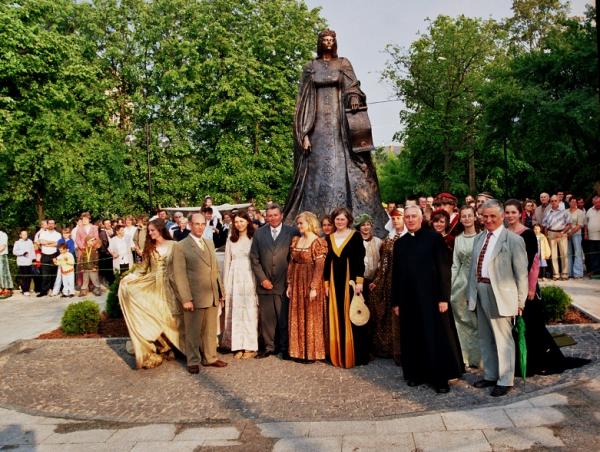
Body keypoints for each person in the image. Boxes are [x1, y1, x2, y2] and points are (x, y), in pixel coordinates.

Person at [284, 29, 388, 236]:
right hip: (317, 128)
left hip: (340, 128)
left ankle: (350, 217)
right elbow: (302, 103)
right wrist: (303, 133)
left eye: (332, 40)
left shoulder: (343, 64)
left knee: (347, 167)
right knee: (316, 173)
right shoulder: (309, 67)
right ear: (319, 42)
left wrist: (354, 98)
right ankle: (315, 221)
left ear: (335, 42)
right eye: (325, 39)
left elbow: (353, 88)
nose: (328, 43)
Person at [504, 199, 590, 375]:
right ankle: (518, 362)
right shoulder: (504, 233)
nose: (510, 215)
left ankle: (537, 362)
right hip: (509, 287)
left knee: (532, 326)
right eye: (507, 212)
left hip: (527, 288)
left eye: (513, 212)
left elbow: (533, 263)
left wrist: (530, 288)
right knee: (514, 327)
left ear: (520, 213)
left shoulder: (527, 233)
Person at [391, 205, 464, 393]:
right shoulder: (400, 244)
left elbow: (443, 270)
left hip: (431, 299)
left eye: (413, 216)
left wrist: (443, 298)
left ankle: (439, 379)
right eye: (407, 217)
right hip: (408, 300)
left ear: (422, 217)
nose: (410, 220)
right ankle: (416, 374)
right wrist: (396, 302)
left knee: (434, 337)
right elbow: (396, 274)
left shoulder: (433, 239)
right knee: (412, 337)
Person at [467, 199, 528, 397]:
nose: (488, 220)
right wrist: (471, 294)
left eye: (493, 216)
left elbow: (521, 274)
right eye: (485, 216)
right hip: (481, 290)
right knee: (485, 337)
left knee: (503, 339)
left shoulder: (513, 240)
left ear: (502, 216)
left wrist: (520, 302)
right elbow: (472, 270)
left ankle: (505, 379)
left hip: (500, 294)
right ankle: (491, 375)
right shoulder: (479, 238)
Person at [119, 219, 182, 369]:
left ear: (161, 230)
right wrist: (129, 278)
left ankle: (175, 346)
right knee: (155, 315)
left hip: (171, 285)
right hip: (152, 284)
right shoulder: (149, 248)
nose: (150, 233)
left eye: (153, 230)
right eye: (149, 231)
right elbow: (142, 269)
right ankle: (162, 346)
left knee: (172, 316)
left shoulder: (174, 245)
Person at [173, 213, 227, 373]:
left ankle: (210, 357)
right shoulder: (181, 246)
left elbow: (215, 270)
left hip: (211, 295)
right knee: (193, 331)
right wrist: (186, 298)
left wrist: (220, 291)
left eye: (203, 224)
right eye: (196, 224)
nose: (200, 227)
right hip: (194, 297)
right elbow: (179, 275)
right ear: (189, 225)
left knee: (210, 330)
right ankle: (193, 360)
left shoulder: (209, 243)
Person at [250, 203, 298, 359]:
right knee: (267, 318)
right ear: (266, 217)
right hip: (265, 284)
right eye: (269, 215)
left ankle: (285, 347)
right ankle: (269, 347)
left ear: (281, 215)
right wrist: (262, 279)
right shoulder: (259, 234)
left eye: (275, 215)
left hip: (284, 283)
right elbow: (254, 258)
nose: (273, 218)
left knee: (283, 318)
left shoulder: (292, 232)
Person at [323, 207, 368, 368]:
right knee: (337, 315)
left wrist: (359, 282)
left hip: (351, 282)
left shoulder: (355, 236)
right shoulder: (329, 238)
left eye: (342, 219)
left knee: (353, 316)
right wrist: (326, 283)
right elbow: (326, 263)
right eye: (337, 219)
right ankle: (338, 353)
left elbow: (359, 259)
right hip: (335, 283)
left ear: (348, 220)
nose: (339, 222)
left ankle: (356, 356)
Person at [287, 211, 328, 362]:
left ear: (310, 223)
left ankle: (312, 352)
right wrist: (290, 284)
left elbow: (319, 266)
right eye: (297, 223)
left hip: (311, 281)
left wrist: (314, 287)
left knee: (311, 316)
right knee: (297, 314)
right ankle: (298, 351)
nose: (299, 226)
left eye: (301, 223)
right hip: (297, 281)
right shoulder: (296, 240)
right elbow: (292, 263)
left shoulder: (318, 242)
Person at [368, 207, 406, 363]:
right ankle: (387, 347)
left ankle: (402, 350)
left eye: (399, 218)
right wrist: (377, 280)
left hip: (402, 278)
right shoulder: (389, 237)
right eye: (394, 218)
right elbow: (383, 261)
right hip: (388, 278)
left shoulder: (408, 236)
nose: (397, 221)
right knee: (382, 307)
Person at [221, 212, 259, 359]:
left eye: (242, 221)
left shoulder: (254, 238)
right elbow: (227, 261)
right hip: (234, 276)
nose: (239, 224)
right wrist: (225, 284)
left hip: (249, 276)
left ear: (248, 222)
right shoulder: (231, 239)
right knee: (236, 312)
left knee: (249, 311)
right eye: (236, 222)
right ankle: (237, 345)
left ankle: (250, 346)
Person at [450, 206, 481, 369]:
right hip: (461, 284)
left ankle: (481, 357)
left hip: (479, 281)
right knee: (462, 321)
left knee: (478, 320)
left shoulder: (482, 237)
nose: (467, 219)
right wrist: (451, 285)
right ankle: (465, 356)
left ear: (475, 217)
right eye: (464, 216)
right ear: (460, 219)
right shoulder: (458, 239)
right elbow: (455, 265)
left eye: (470, 215)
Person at [542, 195, 572, 280]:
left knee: (564, 254)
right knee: (553, 255)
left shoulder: (565, 212)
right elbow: (544, 225)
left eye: (555, 200)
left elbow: (569, 225)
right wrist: (546, 235)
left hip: (562, 233)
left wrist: (562, 232)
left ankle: (565, 274)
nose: (554, 202)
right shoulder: (548, 212)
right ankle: (556, 274)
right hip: (551, 233)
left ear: (559, 201)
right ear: (550, 202)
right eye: (552, 201)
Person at [355, 214, 382, 306]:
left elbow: (381, 260)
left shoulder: (378, 241)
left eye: (368, 224)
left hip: (374, 280)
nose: (366, 227)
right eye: (363, 225)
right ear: (359, 227)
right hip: (360, 280)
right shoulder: (355, 242)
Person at [36, 219, 61, 297]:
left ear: (55, 225)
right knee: (45, 275)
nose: (51, 225)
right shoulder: (42, 233)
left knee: (54, 273)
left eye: (52, 223)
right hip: (45, 255)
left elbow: (57, 244)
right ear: (47, 224)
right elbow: (41, 241)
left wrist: (47, 243)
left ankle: (53, 290)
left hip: (54, 255)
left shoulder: (58, 234)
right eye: (49, 223)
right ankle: (44, 291)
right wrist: (51, 242)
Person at [567, 197, 585, 279]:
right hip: (567, 234)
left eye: (575, 202)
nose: (573, 203)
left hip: (576, 234)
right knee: (568, 253)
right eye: (572, 202)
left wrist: (571, 232)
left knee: (577, 252)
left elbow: (580, 225)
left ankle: (577, 273)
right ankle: (569, 272)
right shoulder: (565, 211)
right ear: (569, 202)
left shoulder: (580, 212)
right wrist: (567, 233)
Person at [13, 230, 35, 296]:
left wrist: (33, 259)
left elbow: (32, 251)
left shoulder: (30, 241)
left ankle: (26, 289)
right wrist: (22, 253)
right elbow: (14, 252)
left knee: (29, 276)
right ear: (20, 235)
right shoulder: (17, 242)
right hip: (22, 262)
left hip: (29, 262)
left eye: (26, 234)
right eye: (23, 234)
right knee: (24, 276)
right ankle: (25, 290)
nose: (25, 236)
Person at [584, 195, 600, 278]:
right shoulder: (590, 210)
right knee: (593, 255)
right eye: (595, 202)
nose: (597, 204)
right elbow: (586, 224)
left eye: (598, 202)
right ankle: (595, 271)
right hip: (591, 237)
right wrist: (586, 234)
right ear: (593, 203)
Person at [98, 219, 115, 285]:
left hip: (116, 252)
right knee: (109, 269)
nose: (108, 225)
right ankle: (110, 282)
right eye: (106, 223)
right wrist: (108, 252)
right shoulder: (102, 233)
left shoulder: (114, 230)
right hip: (107, 253)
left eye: (109, 223)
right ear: (104, 225)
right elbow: (104, 244)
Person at [0, 229, 14, 298]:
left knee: (4, 273)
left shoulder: (3, 234)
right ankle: (1, 289)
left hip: (2, 256)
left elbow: (3, 247)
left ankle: (7, 289)